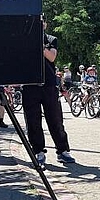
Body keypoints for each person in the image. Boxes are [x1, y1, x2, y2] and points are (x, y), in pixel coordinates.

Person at [22, 19, 75, 166]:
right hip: (30, 84)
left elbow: (51, 56)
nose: (40, 24)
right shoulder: (24, 40)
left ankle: (63, 151)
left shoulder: (51, 39)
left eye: (42, 22)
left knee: (55, 119)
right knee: (33, 121)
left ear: (45, 24)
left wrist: (38, 43)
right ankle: (38, 152)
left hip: (49, 85)